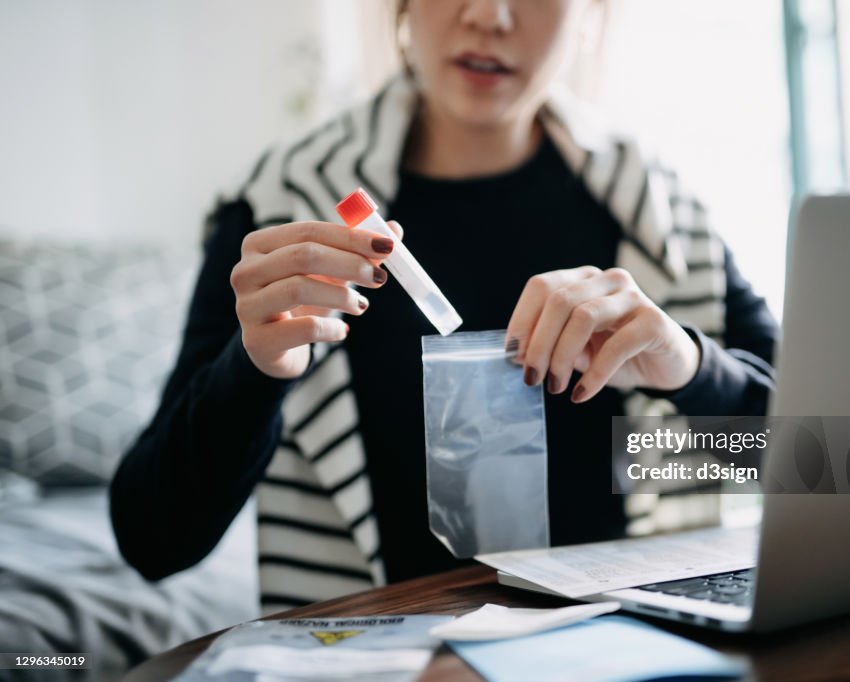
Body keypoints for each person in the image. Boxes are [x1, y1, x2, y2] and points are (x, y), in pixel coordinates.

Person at [111, 0, 777, 613]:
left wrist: (690, 369)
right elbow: (151, 540)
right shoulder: (283, 207)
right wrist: (254, 371)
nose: (489, 14)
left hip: (629, 650)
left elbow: (846, 468)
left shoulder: (659, 214)